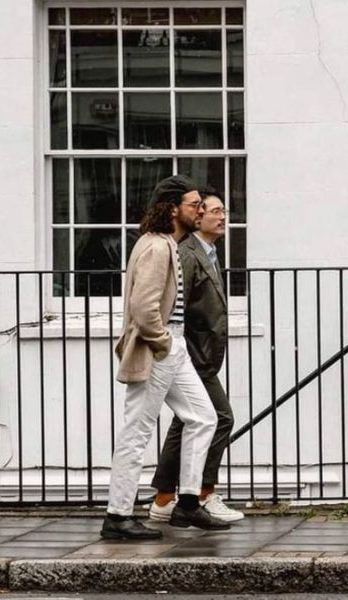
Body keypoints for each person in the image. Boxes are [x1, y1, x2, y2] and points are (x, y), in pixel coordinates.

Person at [101, 175, 229, 540]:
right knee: (136, 432)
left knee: (204, 417)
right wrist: (164, 343)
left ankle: (188, 502)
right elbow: (143, 309)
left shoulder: (168, 243)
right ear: (173, 209)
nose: (201, 209)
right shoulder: (157, 247)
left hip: (173, 350)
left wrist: (172, 345)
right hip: (158, 350)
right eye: (194, 205)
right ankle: (118, 515)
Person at [149, 187, 243, 523]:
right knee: (221, 417)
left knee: (187, 421)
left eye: (224, 212)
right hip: (190, 355)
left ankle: (164, 500)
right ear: (198, 215)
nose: (221, 217)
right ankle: (204, 492)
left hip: (202, 356)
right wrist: (182, 351)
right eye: (214, 211)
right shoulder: (188, 254)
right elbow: (176, 307)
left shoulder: (209, 252)